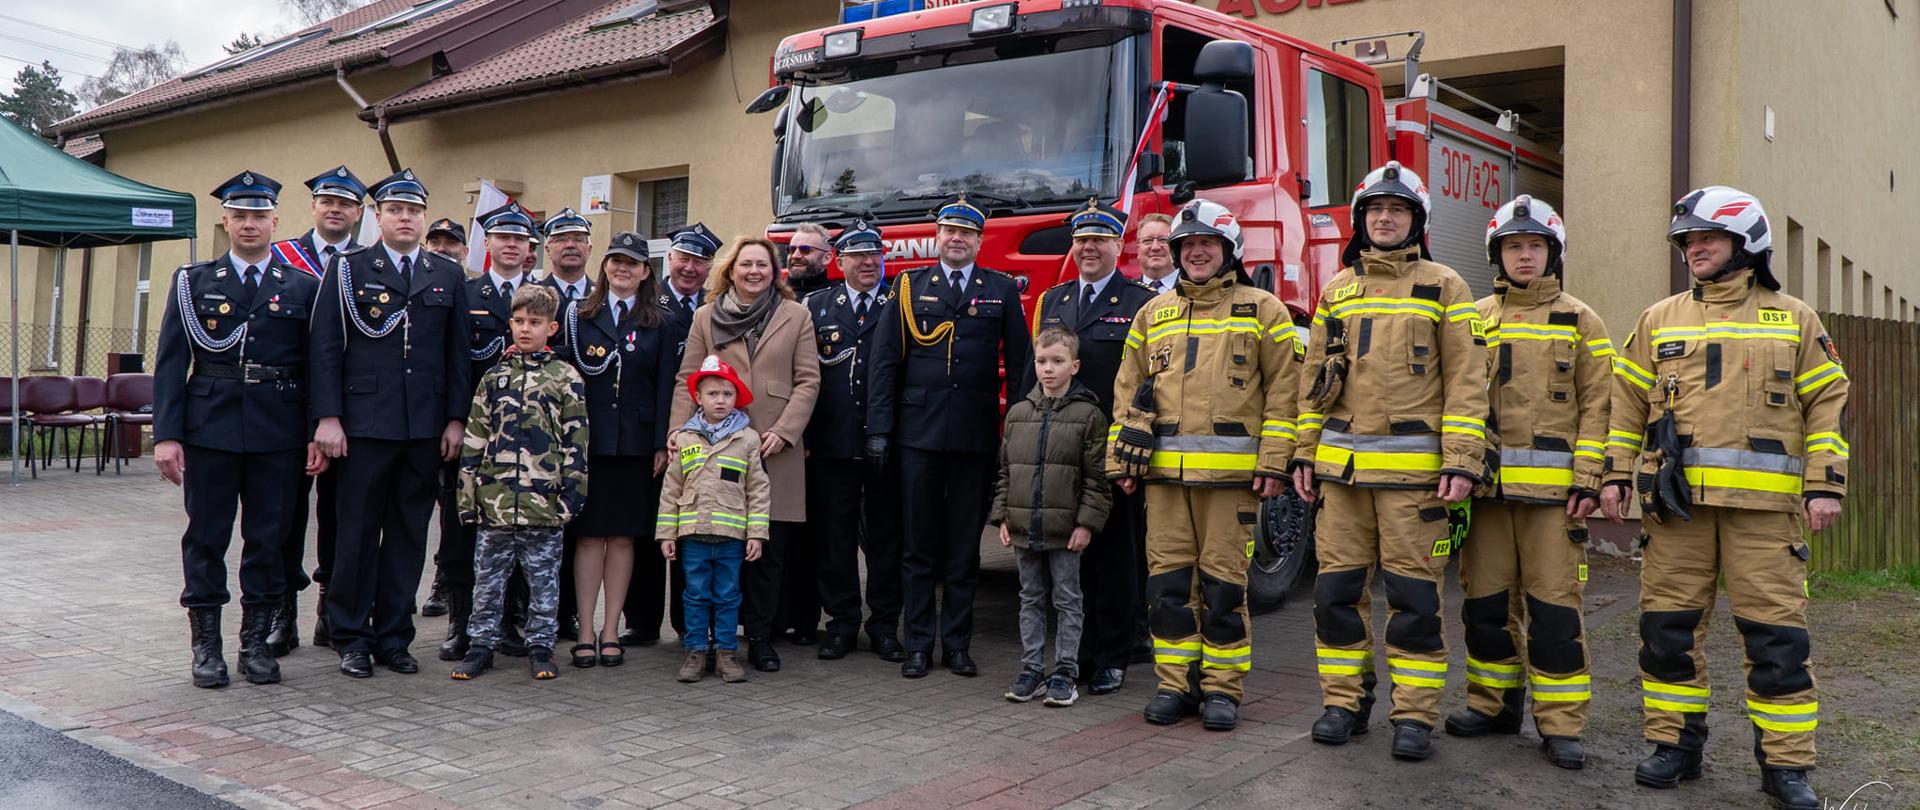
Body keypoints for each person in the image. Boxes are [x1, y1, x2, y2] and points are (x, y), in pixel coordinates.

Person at [1603, 187, 1846, 810]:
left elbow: (1826, 407)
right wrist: (1609, 476)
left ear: (1747, 244)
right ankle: (1674, 748)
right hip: (1676, 513)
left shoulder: (1795, 318)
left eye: (1708, 238)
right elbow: (1625, 405)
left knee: (1776, 641)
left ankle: (1786, 767)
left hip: (1764, 518)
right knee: (1668, 633)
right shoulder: (1660, 318)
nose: (1694, 249)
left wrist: (1825, 484)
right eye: (1687, 241)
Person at [1292, 161, 1488, 759]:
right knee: (1335, 598)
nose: (1384, 218)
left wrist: (1460, 459)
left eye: (1397, 210)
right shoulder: (1338, 288)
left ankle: (1414, 717)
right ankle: (1343, 703)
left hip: (1413, 479)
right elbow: (1311, 383)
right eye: (1374, 210)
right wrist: (1304, 453)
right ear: (1359, 221)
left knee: (1414, 602)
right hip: (1342, 478)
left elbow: (1466, 380)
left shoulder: (1446, 285)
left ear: (1416, 221)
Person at [1109, 198, 1300, 732]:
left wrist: (1275, 463)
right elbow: (1127, 391)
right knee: (1167, 588)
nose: (1196, 253)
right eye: (1187, 245)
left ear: (1228, 251)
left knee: (1222, 589)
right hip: (1164, 481)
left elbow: (1286, 395)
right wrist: (1120, 462)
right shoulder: (1154, 313)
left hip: (1231, 484)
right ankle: (1176, 686)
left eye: (1206, 245)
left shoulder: (1264, 309)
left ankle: (1222, 689)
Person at [1444, 196, 1609, 770]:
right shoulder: (1473, 317)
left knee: (1555, 614)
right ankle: (1492, 707)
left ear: (1552, 253)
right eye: (1514, 246)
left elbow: (1599, 407)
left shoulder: (1581, 320)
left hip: (1553, 501)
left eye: (1535, 246)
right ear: (1498, 253)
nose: (1524, 256)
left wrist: (1589, 479)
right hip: (1487, 495)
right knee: (1485, 608)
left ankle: (1561, 725)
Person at [154, 171, 325, 687]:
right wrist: (166, 435)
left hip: (281, 428)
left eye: (259, 216)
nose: (250, 224)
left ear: (276, 221)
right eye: (240, 216)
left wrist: (318, 429)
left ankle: (255, 644)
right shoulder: (193, 282)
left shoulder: (303, 286)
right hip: (211, 427)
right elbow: (170, 363)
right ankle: (206, 646)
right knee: (206, 538)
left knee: (269, 540)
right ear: (225, 221)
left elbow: (319, 365)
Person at [310, 168, 474, 679]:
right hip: (363, 425)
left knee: (408, 535)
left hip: (423, 429)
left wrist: (454, 421)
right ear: (377, 217)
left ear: (424, 218)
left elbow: (457, 357)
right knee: (355, 533)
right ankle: (351, 635)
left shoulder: (446, 274)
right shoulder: (348, 267)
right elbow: (325, 348)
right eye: (396, 210)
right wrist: (328, 418)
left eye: (414, 211)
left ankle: (394, 636)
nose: (406, 218)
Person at [867, 195, 1032, 679]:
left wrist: (1016, 430)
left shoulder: (1000, 289)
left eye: (966, 233)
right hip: (916, 437)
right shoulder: (907, 286)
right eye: (948, 231)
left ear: (979, 241)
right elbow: (884, 366)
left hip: (974, 437)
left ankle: (957, 644)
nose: (956, 239)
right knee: (917, 547)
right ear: (937, 237)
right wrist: (880, 430)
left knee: (964, 550)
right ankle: (917, 643)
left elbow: (1021, 366)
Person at [669, 236, 821, 673]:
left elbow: (808, 381)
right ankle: (707, 641)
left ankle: (760, 638)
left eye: (763, 265)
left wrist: (786, 432)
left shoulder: (797, 316)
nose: (755, 271)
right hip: (715, 448)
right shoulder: (705, 317)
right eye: (746, 264)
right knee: (711, 546)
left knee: (767, 551)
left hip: (776, 446)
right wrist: (677, 432)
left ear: (776, 272)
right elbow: (687, 380)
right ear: (730, 270)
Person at [1024, 199, 1156, 696]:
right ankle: (1073, 655)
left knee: (1114, 555)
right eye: (1081, 240)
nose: (1088, 248)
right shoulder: (1053, 301)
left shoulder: (1140, 300)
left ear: (1118, 246)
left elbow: (1149, 381)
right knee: (1068, 557)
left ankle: (1112, 655)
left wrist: (1135, 446)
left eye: (1099, 239)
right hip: (1060, 446)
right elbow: (1031, 376)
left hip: (1113, 447)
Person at [449, 284, 590, 681]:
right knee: (489, 580)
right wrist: (468, 495)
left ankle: (541, 647)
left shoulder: (565, 378)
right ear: (510, 324)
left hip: (543, 503)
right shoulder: (494, 377)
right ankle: (480, 645)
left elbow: (576, 441)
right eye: (520, 322)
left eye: (535, 322)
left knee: (544, 581)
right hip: (495, 502)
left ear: (552, 327)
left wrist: (571, 497)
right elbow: (475, 439)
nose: (526, 330)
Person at [561, 231, 678, 666]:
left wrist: (660, 443)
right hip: (589, 444)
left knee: (624, 539)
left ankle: (612, 629)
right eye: (615, 260)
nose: (622, 268)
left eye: (632, 262)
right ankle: (586, 629)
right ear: (604, 266)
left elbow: (666, 386)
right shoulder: (578, 315)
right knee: (589, 537)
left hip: (635, 446)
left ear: (646, 271)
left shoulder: (661, 322)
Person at [268, 164, 366, 656]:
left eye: (346, 203)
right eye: (328, 201)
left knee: (339, 513)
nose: (336, 209)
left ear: (358, 212)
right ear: (314, 207)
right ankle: (282, 610)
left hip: (346, 412)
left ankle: (331, 606)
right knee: (285, 515)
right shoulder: (281, 257)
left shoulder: (368, 262)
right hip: (287, 408)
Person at [435, 203, 537, 665]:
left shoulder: (542, 298)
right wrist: (455, 420)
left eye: (519, 238)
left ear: (530, 248)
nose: (511, 244)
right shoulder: (466, 290)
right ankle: (461, 622)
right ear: (489, 244)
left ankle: (509, 622)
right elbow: (455, 362)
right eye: (502, 236)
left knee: (519, 528)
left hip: (526, 440)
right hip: (476, 436)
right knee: (462, 529)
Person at [801, 220, 904, 662]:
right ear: (838, 261)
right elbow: (803, 377)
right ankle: (841, 622)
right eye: (858, 255)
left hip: (889, 441)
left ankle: (883, 625)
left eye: (875, 253)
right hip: (832, 442)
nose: (868, 261)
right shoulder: (815, 305)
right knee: (835, 537)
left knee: (886, 537)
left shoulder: (903, 302)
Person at [993, 327, 1113, 707]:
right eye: (1042, 361)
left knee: (1067, 600)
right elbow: (1006, 472)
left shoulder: (1089, 416)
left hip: (1066, 531)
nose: (1048, 369)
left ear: (1074, 366)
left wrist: (1086, 523)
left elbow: (1097, 479)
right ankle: (1031, 669)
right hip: (1025, 527)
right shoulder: (1018, 414)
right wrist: (1003, 517)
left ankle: (1065, 671)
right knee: (1030, 598)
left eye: (1057, 362)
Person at [659, 356, 770, 684]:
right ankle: (695, 652)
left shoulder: (748, 440)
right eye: (713, 394)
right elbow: (670, 489)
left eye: (727, 394)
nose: (720, 400)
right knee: (694, 595)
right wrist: (666, 533)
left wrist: (757, 534)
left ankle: (726, 653)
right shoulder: (684, 439)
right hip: (692, 536)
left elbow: (758, 490)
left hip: (731, 536)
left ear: (737, 399)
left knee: (727, 595)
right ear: (698, 398)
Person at [650, 222, 721, 645]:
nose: (690, 267)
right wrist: (664, 436)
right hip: (660, 433)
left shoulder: (717, 306)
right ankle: (642, 620)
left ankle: (689, 623)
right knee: (655, 533)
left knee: (698, 530)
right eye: (684, 258)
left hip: (710, 433)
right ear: (669, 259)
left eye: (700, 260)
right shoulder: (649, 301)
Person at [539, 208, 595, 304]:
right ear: (547, 250)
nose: (570, 245)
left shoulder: (602, 297)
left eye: (578, 239)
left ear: (589, 249)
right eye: (561, 239)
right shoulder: (534, 296)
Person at [784, 222, 836, 300]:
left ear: (826, 258)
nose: (795, 256)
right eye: (792, 249)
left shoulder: (837, 298)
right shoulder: (773, 296)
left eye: (805, 250)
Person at [1134, 213, 1178, 296]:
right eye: (1148, 241)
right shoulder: (1125, 292)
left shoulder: (1194, 288)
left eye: (1163, 240)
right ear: (1138, 250)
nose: (1155, 247)